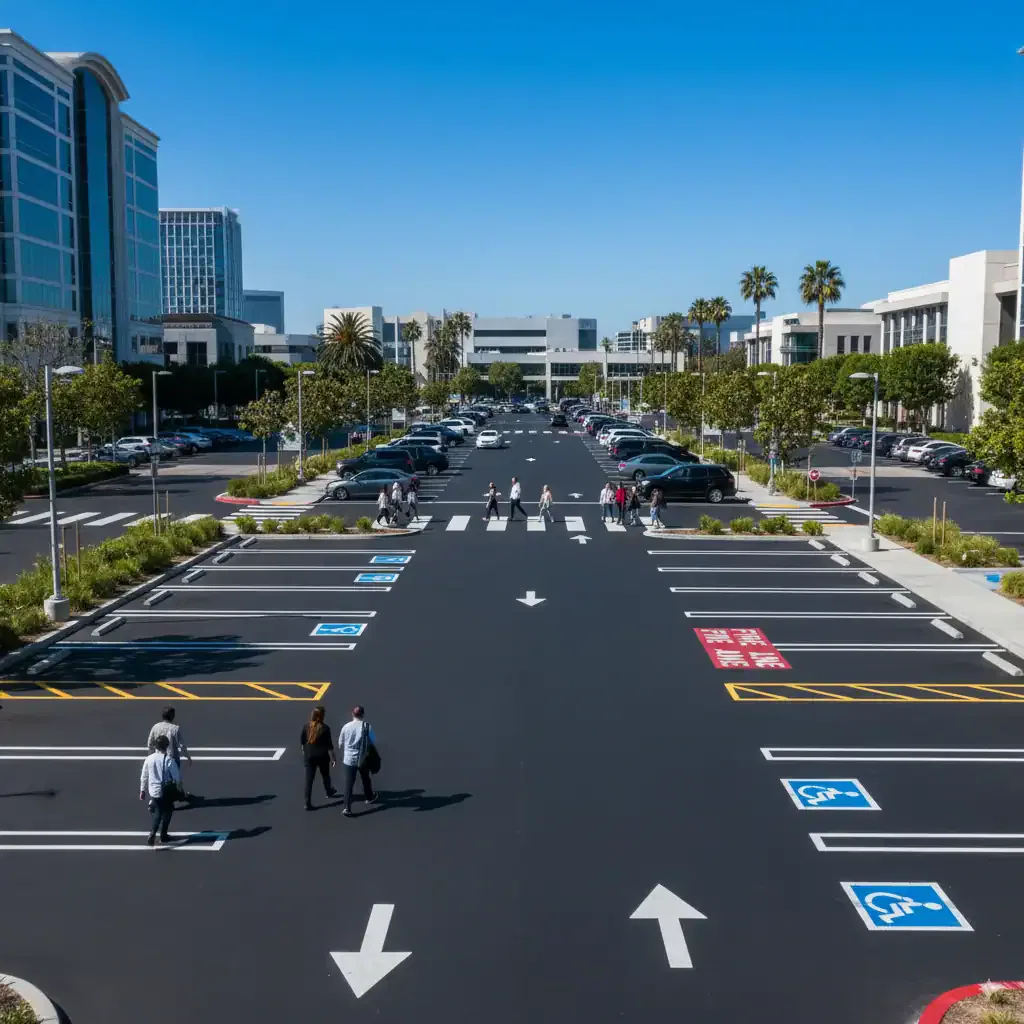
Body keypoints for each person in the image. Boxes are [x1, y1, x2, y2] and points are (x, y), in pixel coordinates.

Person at [140, 734, 181, 847]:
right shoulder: (168, 760)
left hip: (153, 791)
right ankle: (160, 834)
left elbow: (144, 775)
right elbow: (177, 777)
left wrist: (142, 790)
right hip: (165, 791)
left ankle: (157, 833)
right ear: (166, 746)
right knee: (166, 811)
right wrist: (180, 790)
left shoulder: (149, 759)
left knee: (159, 809)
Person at [339, 705, 378, 817]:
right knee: (365, 778)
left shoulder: (346, 727)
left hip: (348, 760)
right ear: (363, 715)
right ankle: (369, 797)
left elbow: (340, 743)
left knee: (349, 784)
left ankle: (347, 807)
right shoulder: (367, 726)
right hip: (362, 759)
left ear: (352, 714)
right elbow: (373, 741)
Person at [147, 707, 191, 802]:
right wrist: (188, 757)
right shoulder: (175, 729)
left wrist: (151, 756)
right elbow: (182, 746)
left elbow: (149, 743)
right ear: (172, 716)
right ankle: (176, 797)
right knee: (176, 779)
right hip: (173, 758)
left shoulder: (155, 727)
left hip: (158, 758)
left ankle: (155, 799)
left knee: (159, 778)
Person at [301, 705, 337, 809]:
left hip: (310, 756)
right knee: (325, 775)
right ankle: (329, 791)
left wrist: (305, 750)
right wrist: (333, 758)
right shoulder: (325, 728)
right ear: (322, 716)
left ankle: (307, 803)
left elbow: (302, 741)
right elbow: (329, 745)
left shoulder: (306, 726)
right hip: (322, 757)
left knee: (309, 780)